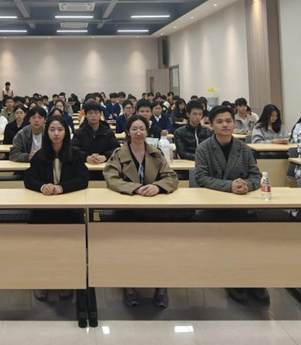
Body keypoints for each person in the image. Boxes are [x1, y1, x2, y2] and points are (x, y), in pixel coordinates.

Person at [193, 105, 269, 305]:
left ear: (234, 123)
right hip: (215, 204)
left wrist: (247, 185)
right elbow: (201, 177)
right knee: (229, 236)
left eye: (228, 121)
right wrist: (229, 186)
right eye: (219, 122)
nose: (225, 125)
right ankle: (233, 279)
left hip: (242, 203)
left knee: (250, 239)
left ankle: (253, 279)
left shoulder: (243, 148)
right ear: (211, 125)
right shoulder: (204, 148)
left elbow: (256, 176)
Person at [104, 115, 178, 308]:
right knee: (130, 249)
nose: (138, 132)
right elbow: (111, 178)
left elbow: (171, 177)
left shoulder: (156, 153)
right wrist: (135, 188)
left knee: (157, 248)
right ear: (128, 132)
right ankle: (129, 285)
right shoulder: (119, 154)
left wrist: (157, 187)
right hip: (126, 209)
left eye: (142, 129)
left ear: (147, 131)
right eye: (134, 129)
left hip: (153, 209)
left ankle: (161, 285)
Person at [24, 115, 89, 302]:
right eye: (52, 130)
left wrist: (62, 188)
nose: (56, 134)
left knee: (67, 246)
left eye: (60, 130)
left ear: (66, 133)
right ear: (47, 133)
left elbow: (83, 179)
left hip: (69, 210)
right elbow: (28, 179)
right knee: (42, 246)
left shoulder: (75, 155)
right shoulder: (39, 155)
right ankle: (42, 280)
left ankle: (66, 279)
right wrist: (42, 186)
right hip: (43, 210)